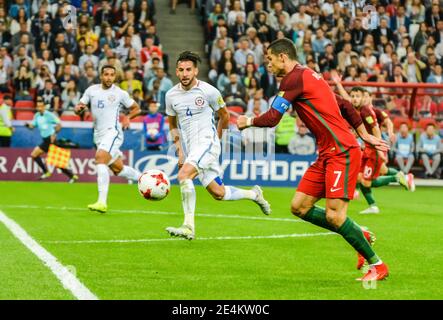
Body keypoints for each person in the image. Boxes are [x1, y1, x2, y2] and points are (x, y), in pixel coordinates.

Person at [237, 38, 389, 281]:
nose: (268, 64)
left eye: (270, 59)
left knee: (335, 216)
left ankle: (378, 265)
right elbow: (345, 105)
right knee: (299, 207)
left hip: (342, 152)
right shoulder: (310, 75)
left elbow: (273, 117)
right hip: (327, 153)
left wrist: (248, 121)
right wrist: (363, 134)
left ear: (283, 57)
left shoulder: (293, 79)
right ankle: (359, 231)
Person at [165, 51, 271, 240]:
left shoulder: (209, 91)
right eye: (181, 70)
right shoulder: (171, 95)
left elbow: (225, 116)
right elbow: (172, 125)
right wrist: (180, 151)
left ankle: (188, 226)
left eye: (188, 69)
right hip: (191, 148)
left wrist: (217, 138)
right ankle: (254, 194)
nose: (185, 74)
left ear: (196, 71)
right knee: (218, 193)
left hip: (208, 143)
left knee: (183, 175)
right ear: (176, 71)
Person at [332, 77, 415, 215]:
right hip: (368, 149)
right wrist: (338, 84)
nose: (354, 98)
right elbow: (345, 98)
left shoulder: (366, 112)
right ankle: (373, 205)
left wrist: (380, 149)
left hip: (373, 149)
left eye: (357, 96)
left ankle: (399, 178)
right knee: (365, 175)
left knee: (367, 181)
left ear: (365, 97)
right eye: (353, 96)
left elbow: (376, 130)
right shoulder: (356, 108)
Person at [74, 65, 142, 213]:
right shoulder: (91, 91)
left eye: (112, 75)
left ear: (115, 77)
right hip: (98, 134)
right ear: (101, 76)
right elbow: (80, 105)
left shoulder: (120, 93)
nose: (109, 77)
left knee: (100, 158)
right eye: (106, 74)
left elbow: (136, 108)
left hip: (113, 132)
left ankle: (101, 202)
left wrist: (127, 118)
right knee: (118, 169)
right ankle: (145, 179)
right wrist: (78, 108)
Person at [25, 97, 77, 182]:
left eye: (41, 106)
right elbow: (32, 126)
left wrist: (54, 134)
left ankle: (72, 176)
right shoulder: (37, 115)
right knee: (34, 155)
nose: (39, 108)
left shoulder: (49, 115)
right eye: (38, 106)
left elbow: (59, 124)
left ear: (44, 107)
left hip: (51, 140)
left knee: (56, 162)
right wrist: (27, 125)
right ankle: (48, 172)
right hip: (45, 140)